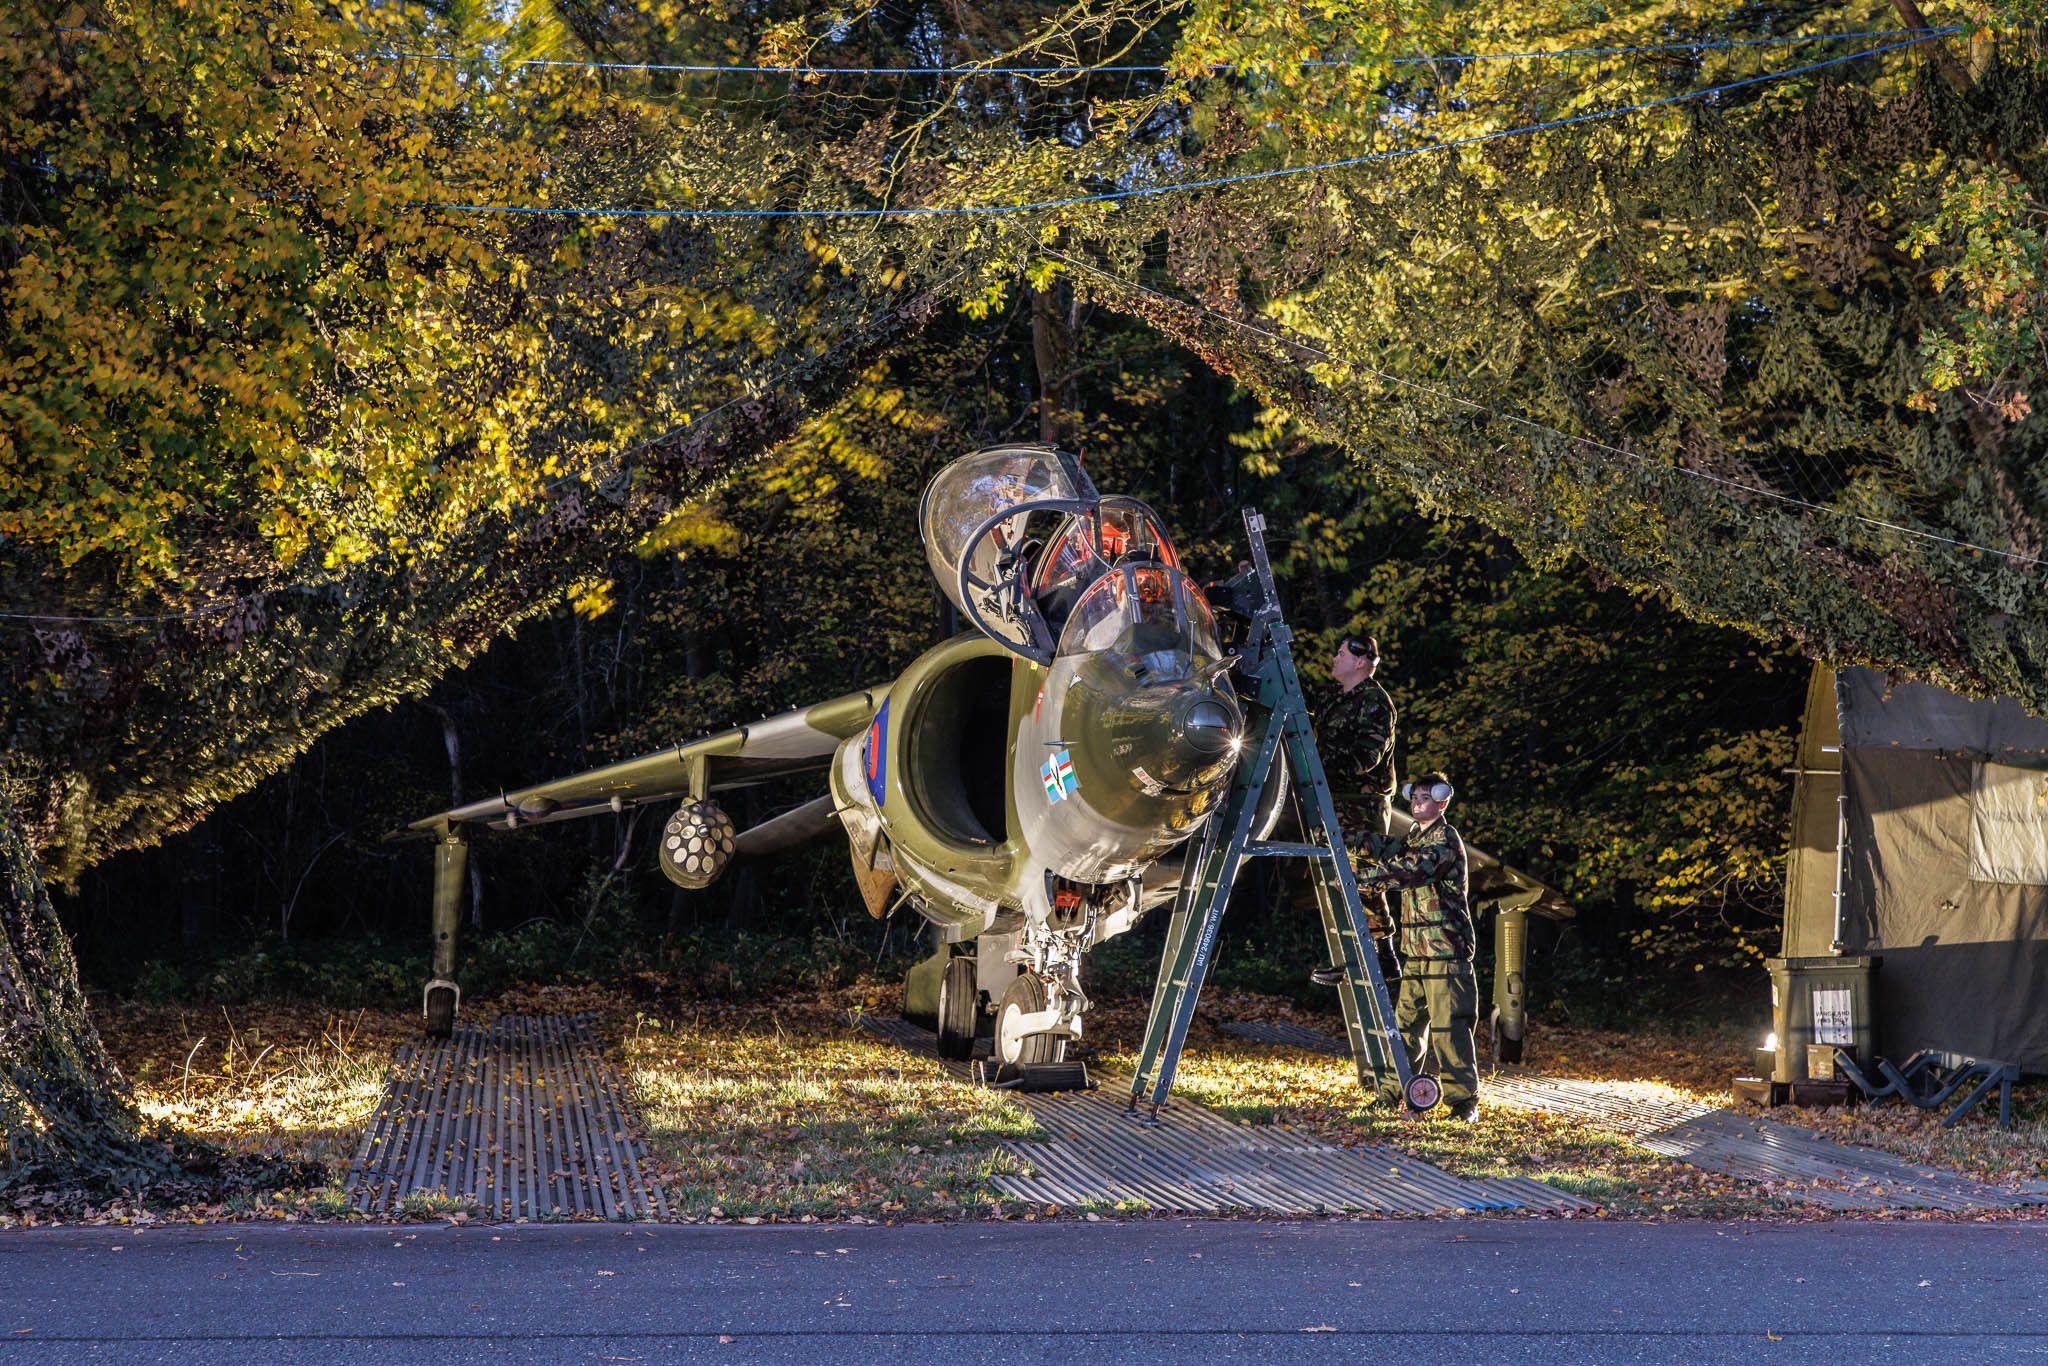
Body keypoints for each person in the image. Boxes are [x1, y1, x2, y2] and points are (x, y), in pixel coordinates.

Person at [1349, 770, 1480, 1121]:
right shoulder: (1413, 838)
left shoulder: (1444, 841)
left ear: (1442, 801)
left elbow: (1412, 869)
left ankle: (1462, 1103)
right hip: (1417, 953)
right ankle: (1392, 1093)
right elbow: (1385, 847)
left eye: (1425, 797)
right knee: (1404, 1028)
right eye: (1415, 797)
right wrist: (1346, 839)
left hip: (1445, 952)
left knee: (1449, 1028)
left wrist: (1360, 879)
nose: (1418, 802)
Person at [1308, 636, 1399, 987]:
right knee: (1337, 883)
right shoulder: (1334, 696)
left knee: (1363, 881)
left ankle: (1383, 955)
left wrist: (1315, 765)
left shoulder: (1376, 703)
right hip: (1334, 800)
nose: (1335, 658)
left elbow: (1366, 758)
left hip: (1363, 804)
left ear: (1361, 662)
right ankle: (1352, 956)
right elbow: (1301, 700)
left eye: (1342, 653)